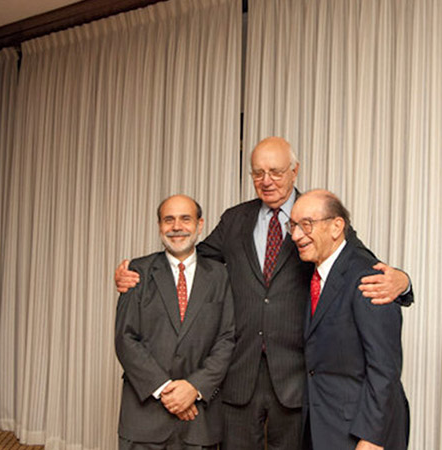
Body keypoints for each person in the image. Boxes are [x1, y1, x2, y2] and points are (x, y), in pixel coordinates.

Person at [115, 137, 413, 450]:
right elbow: (193, 259)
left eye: (275, 171)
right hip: (239, 375)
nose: (266, 181)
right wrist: (141, 273)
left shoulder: (316, 217)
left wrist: (403, 282)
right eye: (258, 173)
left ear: (294, 171)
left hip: (297, 379)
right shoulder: (235, 219)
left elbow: (356, 260)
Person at [290, 190, 409, 450]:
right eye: (293, 226)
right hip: (324, 426)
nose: (297, 235)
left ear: (336, 227)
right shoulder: (315, 275)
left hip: (360, 431)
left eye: (306, 225)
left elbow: (384, 368)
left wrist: (372, 437)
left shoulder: (369, 279)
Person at [115, 195, 235, 450]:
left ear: (200, 225)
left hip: (199, 418)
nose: (177, 226)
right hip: (144, 417)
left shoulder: (220, 275)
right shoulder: (137, 271)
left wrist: (194, 388)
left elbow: (226, 339)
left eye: (185, 219)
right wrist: (167, 390)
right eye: (169, 219)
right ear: (160, 226)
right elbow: (125, 339)